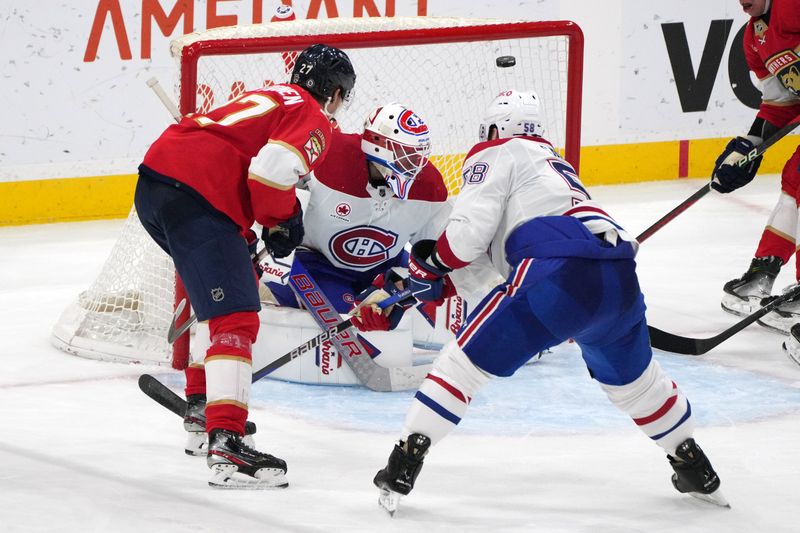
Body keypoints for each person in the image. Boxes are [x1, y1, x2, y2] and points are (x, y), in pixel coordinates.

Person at [372, 89, 728, 514]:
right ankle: (693, 463)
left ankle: (405, 461)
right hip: (618, 276)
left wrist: (430, 266)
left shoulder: (496, 152)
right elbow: (491, 264)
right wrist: (445, 279)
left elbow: (466, 237)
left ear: (492, 130)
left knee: (462, 367)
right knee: (636, 383)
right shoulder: (555, 165)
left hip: (556, 272)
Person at [134, 43, 356, 488]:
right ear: (333, 92)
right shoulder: (312, 115)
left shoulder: (273, 95)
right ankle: (227, 445)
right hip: (199, 194)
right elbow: (273, 173)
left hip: (157, 186)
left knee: (216, 299)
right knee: (235, 316)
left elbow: (249, 163)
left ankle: (202, 408)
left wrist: (260, 229)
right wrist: (281, 220)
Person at [713, 0, 800, 335]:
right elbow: (781, 103)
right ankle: (763, 271)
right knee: (794, 179)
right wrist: (749, 146)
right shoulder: (754, 38)